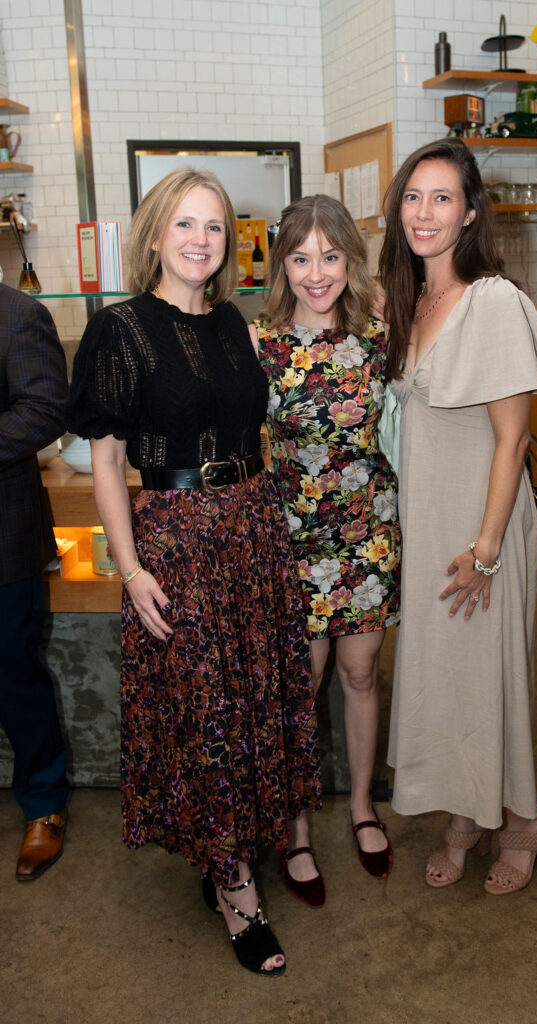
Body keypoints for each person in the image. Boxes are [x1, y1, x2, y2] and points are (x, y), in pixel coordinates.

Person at [68, 168, 321, 976]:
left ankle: (235, 851)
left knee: (250, 702)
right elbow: (107, 465)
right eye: (184, 223)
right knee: (205, 712)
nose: (199, 240)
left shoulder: (234, 322)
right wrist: (130, 568)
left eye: (214, 226)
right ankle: (236, 889)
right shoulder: (119, 329)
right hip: (177, 540)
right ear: (154, 233)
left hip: (252, 530)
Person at [379, 138, 537, 895]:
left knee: (489, 677)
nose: (424, 212)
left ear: (470, 213)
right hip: (428, 523)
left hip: (484, 526)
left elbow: (512, 439)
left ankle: (521, 820)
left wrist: (485, 551)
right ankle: (466, 812)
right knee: (446, 678)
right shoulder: (411, 300)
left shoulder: (494, 302)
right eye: (413, 197)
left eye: (442, 197)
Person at [252, 195, 400, 905]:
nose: (317, 274)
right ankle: (297, 824)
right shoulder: (260, 342)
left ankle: (363, 805)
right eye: (301, 258)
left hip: (367, 532)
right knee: (300, 687)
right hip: (294, 540)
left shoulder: (379, 335)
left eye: (331, 257)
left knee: (361, 675)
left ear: (350, 260)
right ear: (282, 264)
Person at [0, 283, 70, 882]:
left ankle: (44, 802)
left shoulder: (18, 314)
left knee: (14, 673)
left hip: (3, 537)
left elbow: (44, 411)